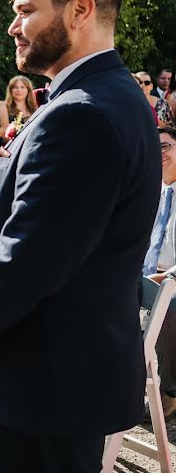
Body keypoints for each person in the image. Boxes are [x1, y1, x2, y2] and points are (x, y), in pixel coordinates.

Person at [0, 0, 160, 473]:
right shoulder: (104, 97)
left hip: (42, 386)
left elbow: (30, 260)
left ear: (80, 10)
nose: (14, 27)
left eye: (25, 10)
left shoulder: (82, 113)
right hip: (51, 383)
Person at [140, 126, 176, 421]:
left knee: (168, 303)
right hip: (145, 276)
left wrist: (166, 278)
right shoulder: (151, 194)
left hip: (172, 279)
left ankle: (169, 392)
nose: (160, 154)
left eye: (166, 147)